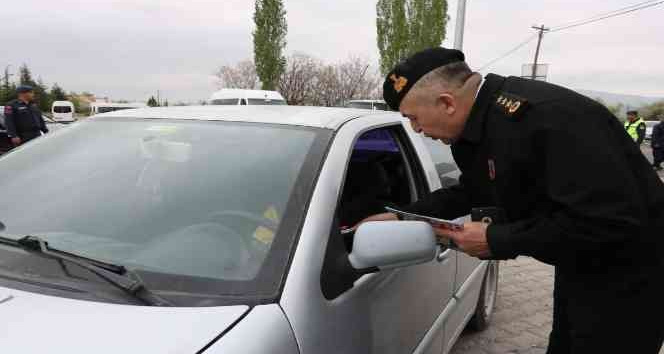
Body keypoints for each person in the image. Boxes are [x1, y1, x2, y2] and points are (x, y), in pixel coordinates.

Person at [360, 48, 664, 354]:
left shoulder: (548, 119)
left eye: (414, 118)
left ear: (447, 103)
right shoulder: (482, 126)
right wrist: (403, 216)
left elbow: (607, 220)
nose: (417, 130)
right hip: (581, 260)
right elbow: (474, 190)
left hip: (630, 272)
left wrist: (497, 239)